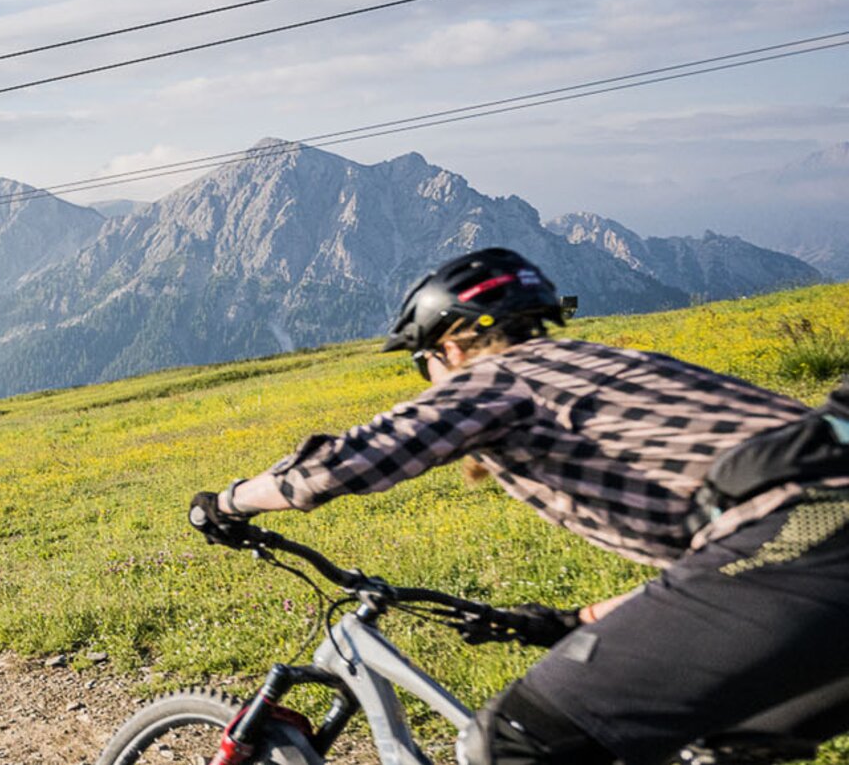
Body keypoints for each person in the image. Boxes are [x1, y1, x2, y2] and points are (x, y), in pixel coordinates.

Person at [193, 247, 849, 765]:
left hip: (802, 548)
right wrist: (574, 618)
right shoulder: (621, 367)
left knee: (507, 741)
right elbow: (726, 571)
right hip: (801, 563)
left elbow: (338, 466)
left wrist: (225, 502)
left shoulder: (499, 374)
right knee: (707, 746)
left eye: (424, 362)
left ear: (448, 345)